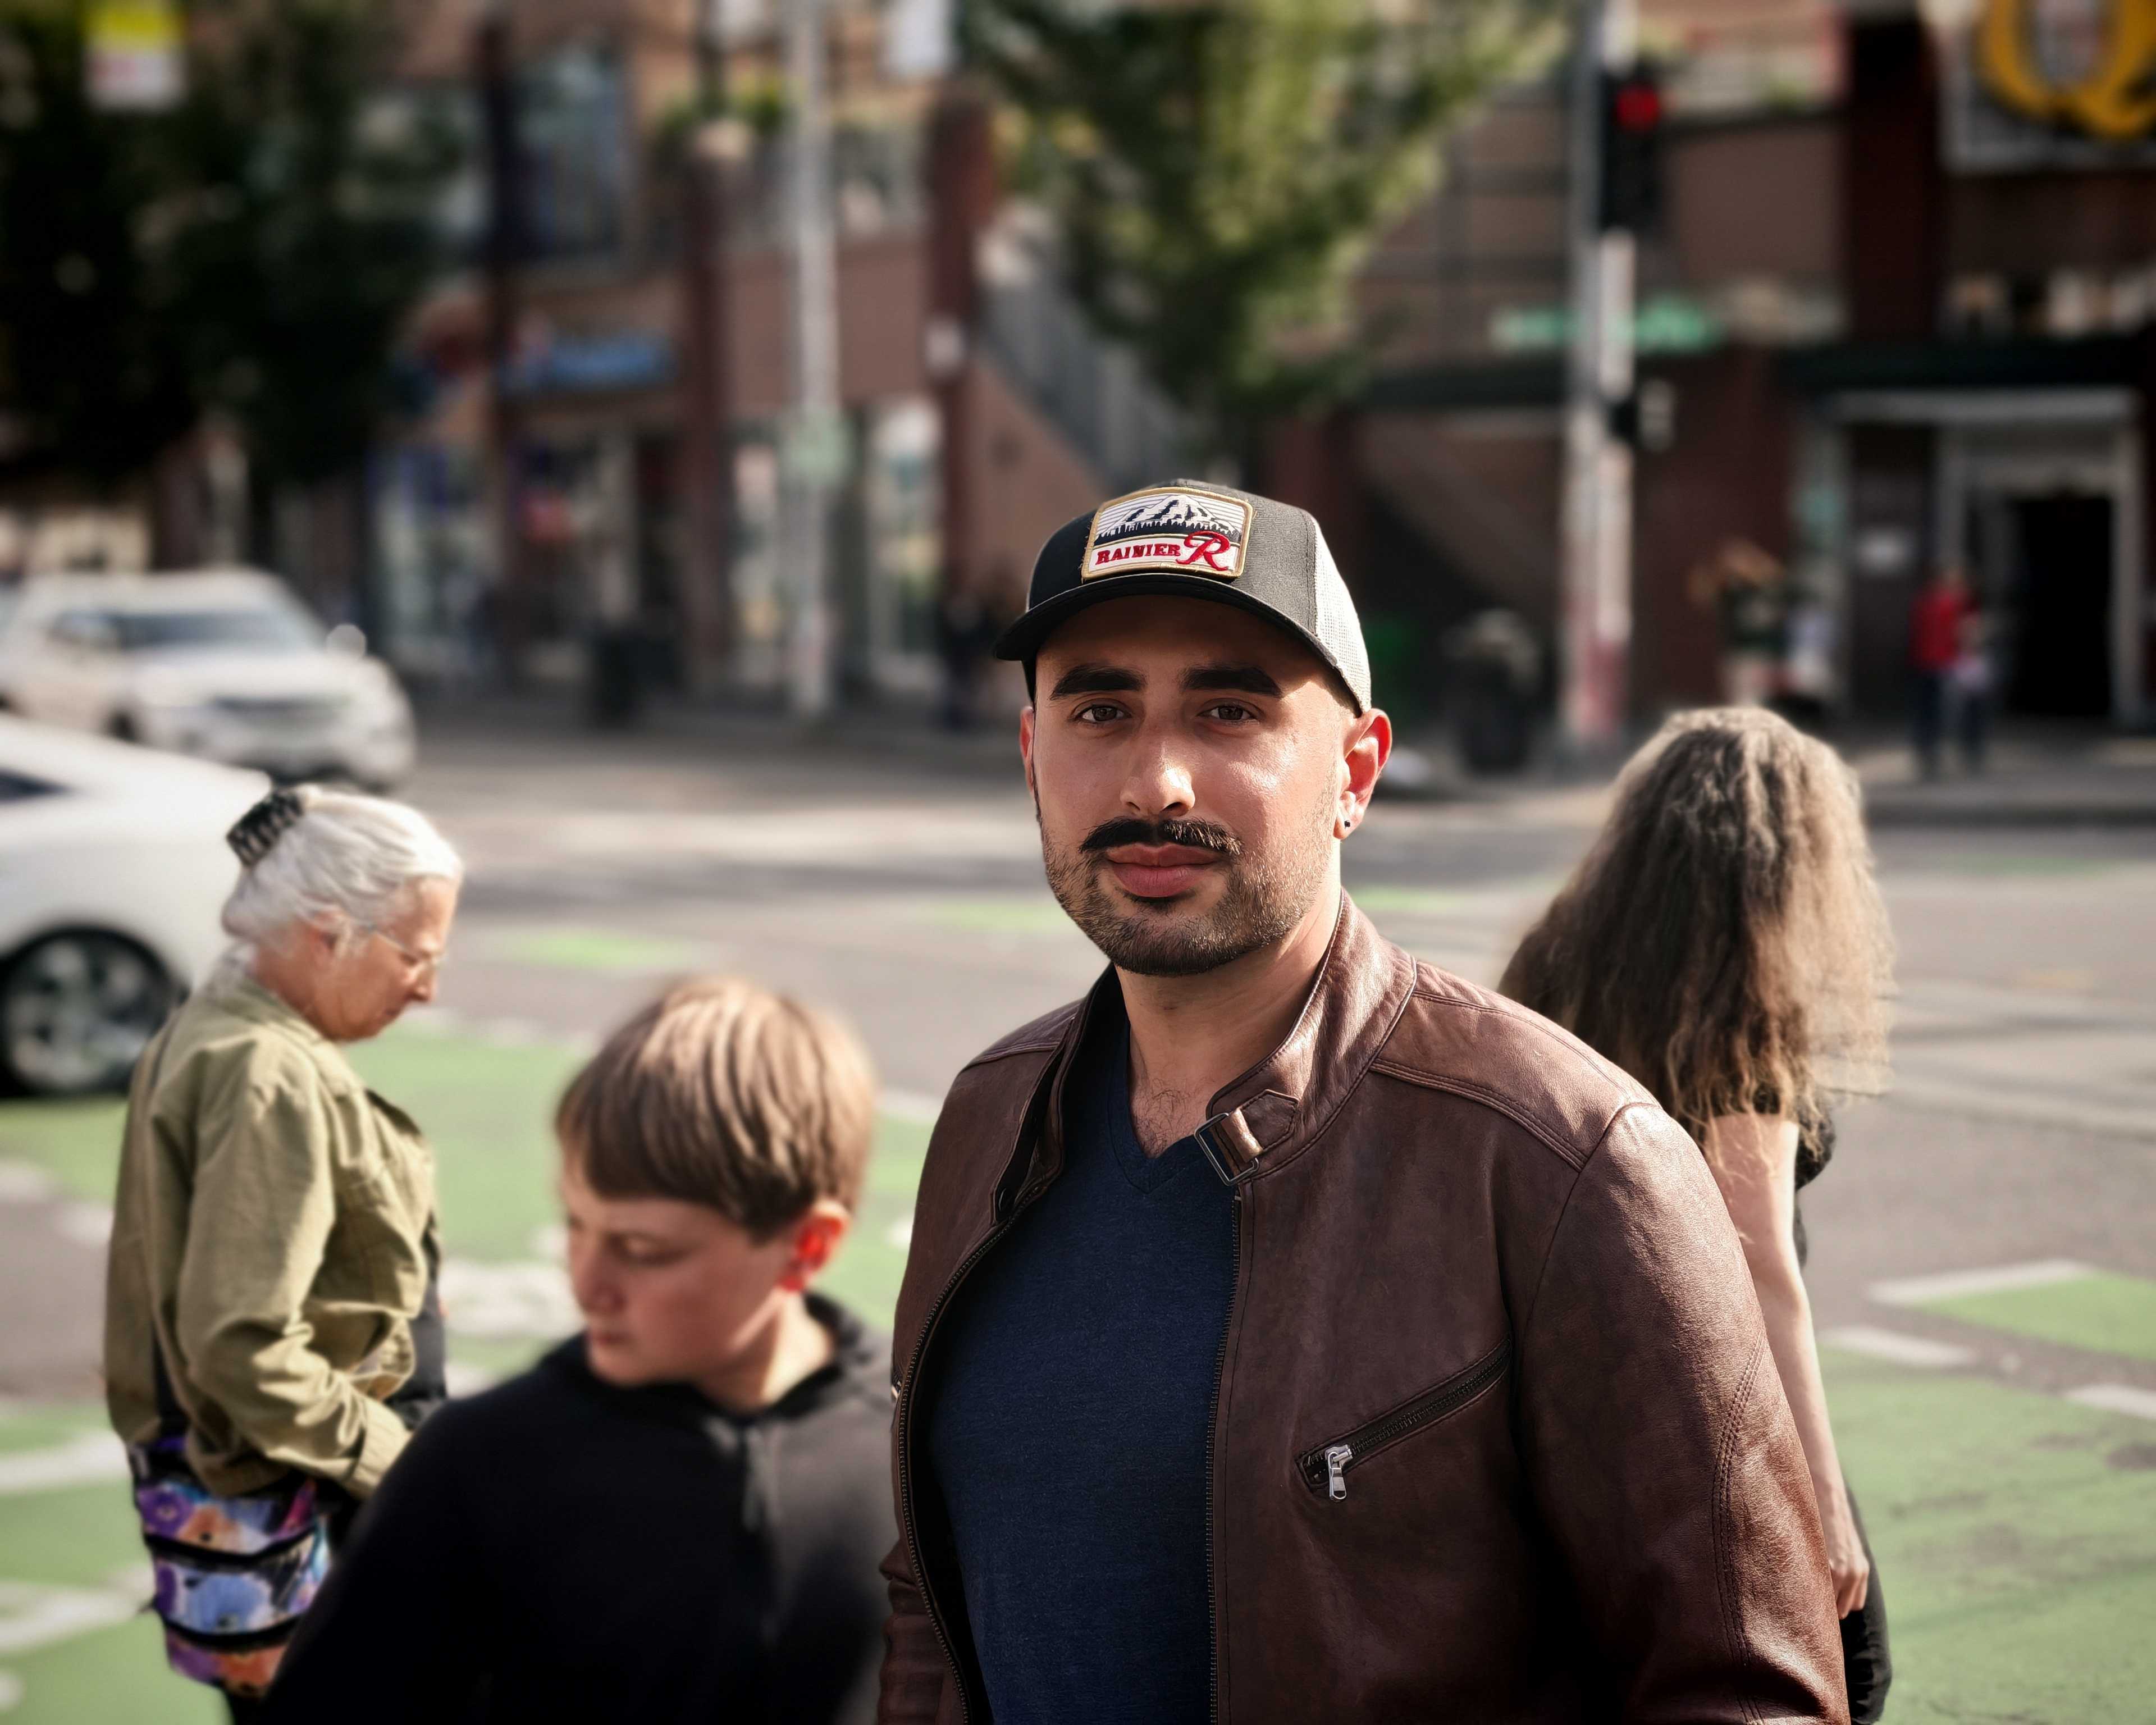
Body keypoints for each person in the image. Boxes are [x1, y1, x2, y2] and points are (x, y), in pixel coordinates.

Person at [879, 481, 1848, 1723]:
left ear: (1357, 771)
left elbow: (1742, 1692)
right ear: (1032, 757)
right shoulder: (988, 1118)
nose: (1156, 778)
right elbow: (927, 1598)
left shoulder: (1567, 1160)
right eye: (1099, 707)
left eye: (1230, 711)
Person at [266, 976, 897, 1725]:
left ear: (807, 1246)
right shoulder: (480, 1465)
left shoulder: (920, 1447)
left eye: (643, 1249)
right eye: (575, 1225)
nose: (587, 1282)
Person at [1500, 706, 1897, 1722]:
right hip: (1720, 1410)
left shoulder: (1554, 962)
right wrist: (1821, 1501)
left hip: (1575, 1394)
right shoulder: (1739, 1014)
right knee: (1847, 1675)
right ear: (1782, 864)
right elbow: (1761, 1265)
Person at [104, 786, 463, 1721]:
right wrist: (405, 1464)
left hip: (288, 1503)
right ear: (324, 932)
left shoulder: (220, 1012)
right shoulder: (272, 1074)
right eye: (416, 956)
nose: (428, 986)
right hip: (326, 1509)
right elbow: (242, 1345)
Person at [1908, 563, 1971, 779]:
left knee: (1925, 711)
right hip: (1945, 664)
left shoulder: (1924, 603)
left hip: (1924, 663)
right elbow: (1961, 633)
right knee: (1943, 710)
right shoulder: (1953, 604)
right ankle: (1939, 752)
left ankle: (1927, 752)